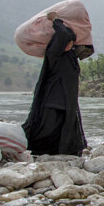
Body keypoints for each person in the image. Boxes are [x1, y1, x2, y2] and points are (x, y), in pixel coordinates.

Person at [22, 12, 92, 156]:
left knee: (59, 129)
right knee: (48, 129)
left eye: (72, 43)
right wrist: (55, 20)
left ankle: (60, 153)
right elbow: (64, 34)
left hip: (64, 101)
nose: (70, 45)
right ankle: (40, 151)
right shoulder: (54, 53)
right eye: (68, 42)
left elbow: (82, 46)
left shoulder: (69, 57)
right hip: (53, 99)